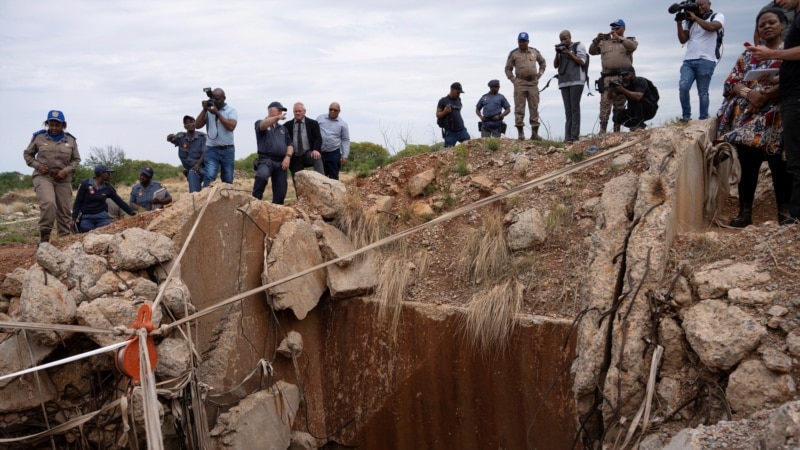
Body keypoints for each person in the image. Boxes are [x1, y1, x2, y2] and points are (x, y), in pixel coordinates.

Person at [718, 8, 790, 227]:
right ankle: (744, 212)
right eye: (762, 25)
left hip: (777, 117)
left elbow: (794, 80)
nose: (767, 27)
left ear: (782, 26)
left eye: (771, 23)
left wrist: (769, 92)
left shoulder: (788, 52)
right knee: (748, 164)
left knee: (780, 164)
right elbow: (731, 83)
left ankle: (785, 213)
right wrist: (750, 93)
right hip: (749, 117)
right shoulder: (748, 55)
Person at [748, 0, 800, 223]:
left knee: (796, 161)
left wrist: (772, 55)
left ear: (781, 25)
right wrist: (775, 78)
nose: (779, 1)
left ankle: (796, 218)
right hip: (790, 93)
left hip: (795, 98)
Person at [23, 110, 81, 243]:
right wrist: (37, 165)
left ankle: (64, 240)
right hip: (44, 176)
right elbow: (27, 155)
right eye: (51, 124)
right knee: (49, 203)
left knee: (64, 210)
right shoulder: (39, 137)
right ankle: (44, 239)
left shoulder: (71, 140)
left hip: (63, 179)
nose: (54, 128)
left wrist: (65, 171)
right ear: (47, 124)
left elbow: (76, 160)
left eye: (57, 125)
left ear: (63, 125)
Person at [675, 0, 725, 122]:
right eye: (698, 5)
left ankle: (703, 118)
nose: (700, 7)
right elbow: (683, 40)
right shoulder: (690, 22)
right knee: (683, 87)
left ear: (709, 4)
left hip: (706, 59)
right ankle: (686, 117)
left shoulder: (717, 16)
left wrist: (696, 18)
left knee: (703, 92)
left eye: (702, 4)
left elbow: (712, 27)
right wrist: (679, 23)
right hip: (688, 60)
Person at [589, 19, 638, 134]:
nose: (614, 31)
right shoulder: (605, 42)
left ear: (623, 28)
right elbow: (591, 51)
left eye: (617, 28)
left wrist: (619, 39)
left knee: (619, 104)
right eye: (612, 28)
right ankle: (603, 129)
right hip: (607, 77)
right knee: (605, 103)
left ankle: (617, 130)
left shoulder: (628, 40)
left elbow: (633, 47)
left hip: (623, 77)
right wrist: (596, 40)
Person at [505, 32, 547, 140]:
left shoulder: (534, 52)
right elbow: (508, 69)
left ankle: (534, 133)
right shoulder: (513, 54)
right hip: (520, 83)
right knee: (519, 108)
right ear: (518, 42)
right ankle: (520, 133)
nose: (522, 43)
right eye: (520, 41)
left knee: (534, 107)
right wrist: (513, 80)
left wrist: (540, 74)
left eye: (524, 41)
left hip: (533, 83)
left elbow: (543, 63)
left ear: (528, 42)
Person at [71, 165, 135, 233]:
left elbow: (119, 201)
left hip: (101, 216)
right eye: (108, 173)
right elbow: (78, 202)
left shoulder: (108, 187)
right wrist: (74, 218)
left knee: (104, 231)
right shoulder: (85, 184)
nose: (110, 175)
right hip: (87, 216)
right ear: (101, 173)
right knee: (86, 230)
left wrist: (132, 212)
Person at [195, 88, 237, 186]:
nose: (215, 101)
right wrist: (204, 109)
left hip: (228, 149)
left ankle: (226, 200)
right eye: (213, 99)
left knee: (228, 178)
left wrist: (217, 113)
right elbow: (197, 125)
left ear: (224, 98)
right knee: (209, 176)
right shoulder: (209, 111)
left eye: (218, 99)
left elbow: (231, 127)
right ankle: (206, 199)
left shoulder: (231, 110)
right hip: (211, 149)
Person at [253, 101, 293, 204]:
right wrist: (276, 118)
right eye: (279, 110)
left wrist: (288, 156)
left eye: (281, 111)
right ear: (270, 110)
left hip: (281, 162)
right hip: (266, 159)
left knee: (281, 191)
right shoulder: (261, 122)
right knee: (262, 176)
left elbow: (290, 144)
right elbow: (262, 126)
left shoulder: (283, 129)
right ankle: (255, 202)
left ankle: (276, 210)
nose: (280, 112)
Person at [554, 30, 588, 144]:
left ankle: (575, 136)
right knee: (567, 110)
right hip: (564, 81)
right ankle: (567, 136)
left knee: (574, 108)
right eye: (561, 39)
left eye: (565, 38)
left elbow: (582, 61)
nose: (563, 41)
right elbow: (555, 65)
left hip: (576, 80)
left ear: (570, 37)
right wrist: (557, 53)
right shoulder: (561, 49)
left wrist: (568, 52)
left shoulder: (579, 46)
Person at [284, 102, 324, 188]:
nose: (297, 113)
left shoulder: (313, 123)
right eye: (295, 111)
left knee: (316, 156)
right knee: (298, 182)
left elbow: (318, 138)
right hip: (295, 156)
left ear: (304, 111)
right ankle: (301, 199)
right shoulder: (287, 125)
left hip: (308, 153)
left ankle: (322, 184)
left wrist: (316, 149)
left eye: (299, 111)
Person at [608, 65, 658, 130]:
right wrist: (611, 89)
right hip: (634, 110)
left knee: (635, 100)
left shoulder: (640, 81)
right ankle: (634, 125)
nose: (624, 77)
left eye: (627, 74)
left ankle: (639, 125)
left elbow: (638, 97)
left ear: (633, 74)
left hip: (649, 109)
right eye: (622, 75)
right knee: (617, 118)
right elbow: (611, 97)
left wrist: (623, 90)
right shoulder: (624, 84)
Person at [167, 115, 206, 193]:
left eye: (191, 122)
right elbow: (172, 139)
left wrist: (198, 164)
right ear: (184, 126)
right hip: (191, 170)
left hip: (203, 168)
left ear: (195, 124)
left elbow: (205, 152)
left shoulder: (202, 137)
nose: (189, 124)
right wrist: (169, 138)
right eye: (187, 123)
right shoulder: (181, 137)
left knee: (209, 186)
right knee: (194, 192)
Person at [317, 102, 350, 180]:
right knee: (320, 177)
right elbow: (314, 133)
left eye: (335, 110)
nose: (332, 111)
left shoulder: (343, 124)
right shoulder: (320, 118)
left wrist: (345, 155)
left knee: (334, 177)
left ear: (339, 111)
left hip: (333, 153)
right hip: (320, 152)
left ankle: (334, 192)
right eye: (330, 109)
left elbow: (345, 140)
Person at [437, 82, 471, 147]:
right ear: (452, 90)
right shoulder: (443, 100)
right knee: (449, 151)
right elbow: (438, 114)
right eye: (457, 92)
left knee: (469, 146)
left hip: (461, 129)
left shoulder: (458, 99)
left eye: (460, 93)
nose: (459, 94)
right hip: (450, 132)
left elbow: (459, 109)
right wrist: (445, 112)